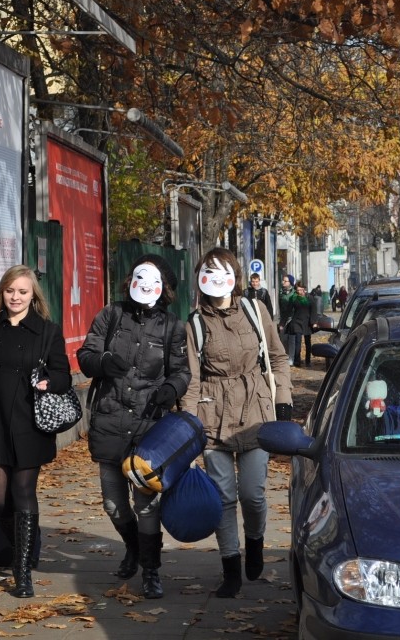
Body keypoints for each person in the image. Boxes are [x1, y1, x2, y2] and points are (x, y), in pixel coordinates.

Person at [180, 248, 293, 598]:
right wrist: (187, 422)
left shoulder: (255, 311)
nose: (215, 279)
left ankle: (256, 542)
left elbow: (277, 356)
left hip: (256, 412)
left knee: (252, 494)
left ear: (234, 275)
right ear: (200, 279)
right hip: (213, 416)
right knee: (224, 496)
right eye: (208, 272)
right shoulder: (195, 324)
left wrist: (283, 398)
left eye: (222, 271)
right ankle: (230, 566)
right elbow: (192, 378)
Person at [77, 255, 191, 599]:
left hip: (148, 427)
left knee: (146, 504)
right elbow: (85, 357)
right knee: (113, 503)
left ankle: (151, 571)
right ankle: (134, 548)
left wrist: (171, 389)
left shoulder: (172, 326)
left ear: (164, 287)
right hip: (110, 420)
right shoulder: (111, 316)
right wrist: (104, 361)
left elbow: (181, 371)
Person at [0, 264, 71, 598]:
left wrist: (48, 382)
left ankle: (21, 571)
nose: (16, 297)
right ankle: (28, 539)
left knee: (23, 493)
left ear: (32, 295)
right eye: (10, 291)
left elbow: (64, 376)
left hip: (28, 424)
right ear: (2, 293)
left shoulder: (47, 332)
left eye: (22, 291)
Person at [287, 281, 317, 367]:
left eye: (301, 290)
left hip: (307, 322)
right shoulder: (293, 298)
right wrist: (282, 323)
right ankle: (297, 361)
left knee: (308, 342)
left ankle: (308, 360)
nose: (299, 292)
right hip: (297, 322)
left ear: (304, 289)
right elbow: (288, 311)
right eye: (298, 290)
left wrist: (314, 322)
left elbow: (313, 311)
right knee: (298, 341)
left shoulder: (310, 298)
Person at [277, 274, 296, 363]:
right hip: (283, 318)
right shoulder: (281, 292)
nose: (283, 282)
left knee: (291, 339)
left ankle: (291, 357)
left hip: (292, 318)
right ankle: (286, 355)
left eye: (285, 281)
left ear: (290, 283)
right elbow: (280, 307)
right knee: (283, 338)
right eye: (283, 280)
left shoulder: (294, 293)